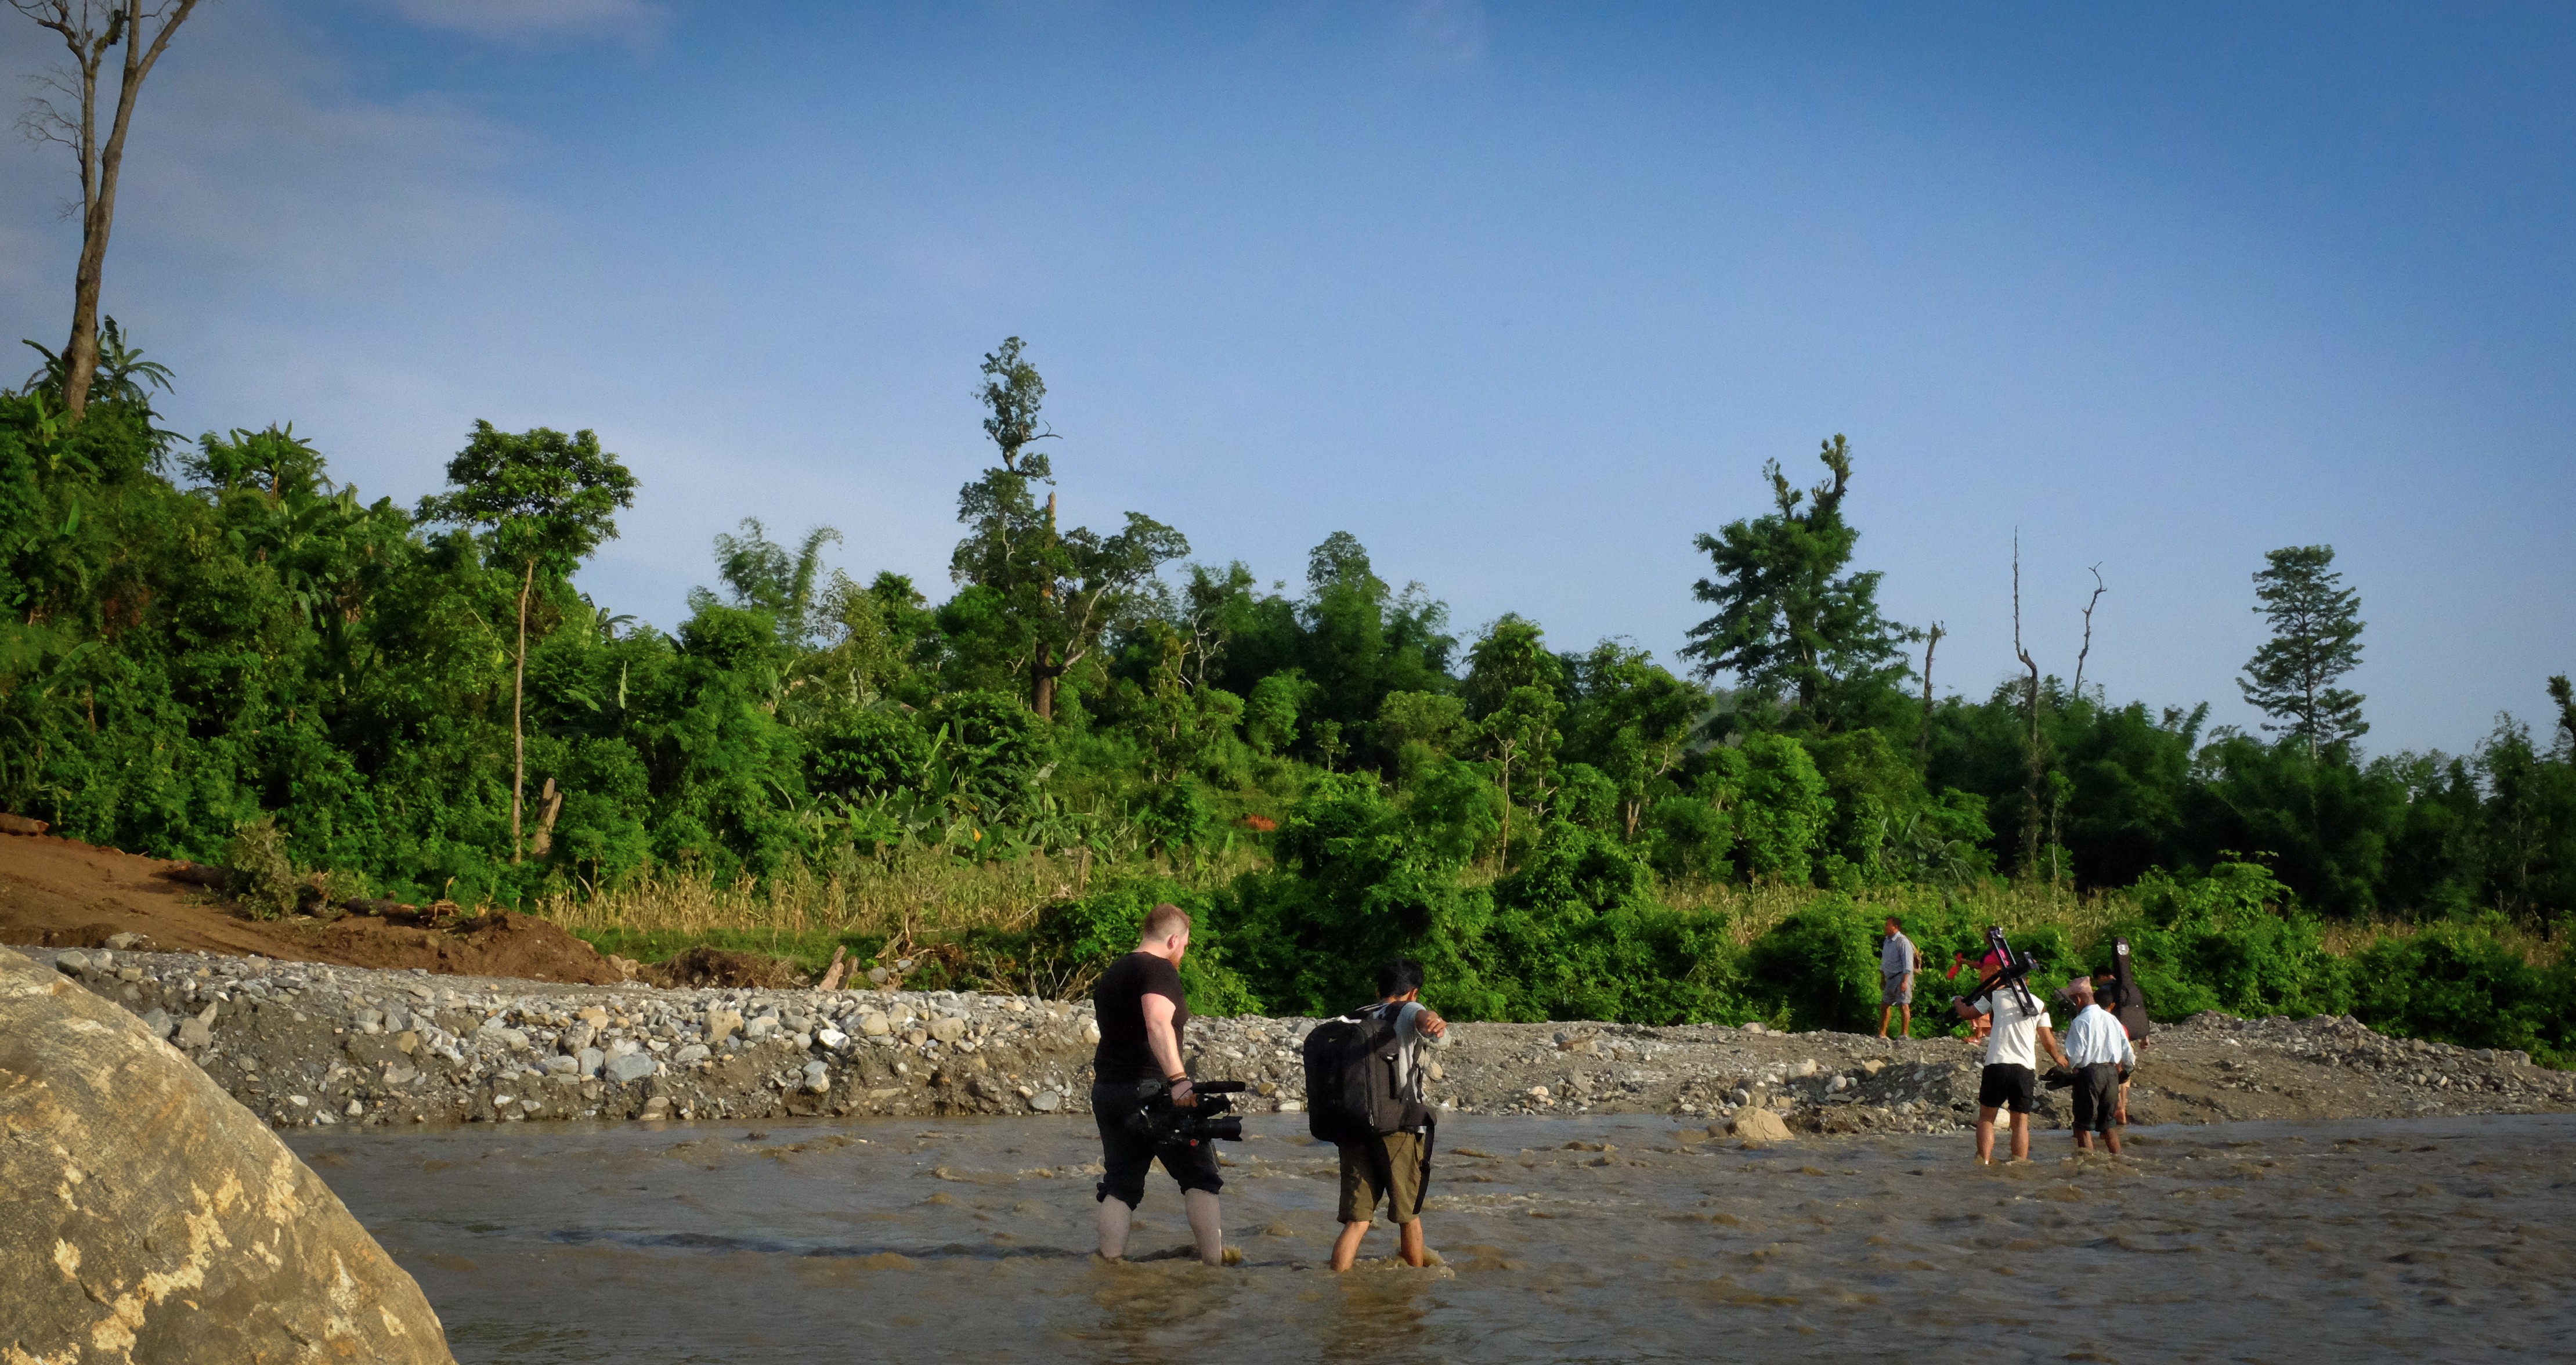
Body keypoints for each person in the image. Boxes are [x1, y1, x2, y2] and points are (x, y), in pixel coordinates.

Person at [1089, 902, 1225, 1265]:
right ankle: (1215, 1269)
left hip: (1109, 1090)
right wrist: (1179, 1081)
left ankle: (1110, 1266)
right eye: (1185, 945)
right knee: (1201, 1177)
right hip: (1153, 1091)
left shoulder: (1115, 971)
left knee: (1120, 1184)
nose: (1183, 952)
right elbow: (1158, 1023)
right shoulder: (1159, 969)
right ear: (1172, 939)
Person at [1329, 957, 1451, 1272]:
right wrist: (1432, 1021)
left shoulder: (1356, 1017)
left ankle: (1337, 1286)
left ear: (1377, 989)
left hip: (1354, 1126)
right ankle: (1414, 1290)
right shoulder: (1409, 1009)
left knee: (1357, 1221)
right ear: (1413, 992)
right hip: (1398, 1126)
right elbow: (1423, 1017)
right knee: (1409, 1217)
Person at [1954, 953, 2069, 1164]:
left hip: (1998, 1063)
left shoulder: (1995, 996)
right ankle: (2019, 1164)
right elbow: (2047, 1039)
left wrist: (1957, 1001)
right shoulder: (2039, 1004)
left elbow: (1966, 1013)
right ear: (2028, 981)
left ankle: (1985, 1161)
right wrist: (2058, 1058)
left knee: (1987, 1118)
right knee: (2020, 1122)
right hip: (2024, 1067)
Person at [2060, 976, 2137, 1155]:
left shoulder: (2080, 1022)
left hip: (2089, 1075)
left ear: (2078, 999)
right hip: (2111, 1074)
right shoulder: (2112, 1020)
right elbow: (2128, 1053)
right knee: (2108, 1126)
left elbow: (2075, 1056)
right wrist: (2126, 1070)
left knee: (2082, 1127)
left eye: (2073, 1000)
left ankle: (2087, 1167)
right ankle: (2117, 1164)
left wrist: (2064, 1070)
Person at [1876, 916, 1917, 1039]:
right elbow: (1884, 961)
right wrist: (1882, 978)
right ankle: (1882, 1033)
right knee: (1885, 1005)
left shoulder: (1903, 941)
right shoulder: (1887, 941)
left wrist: (1905, 982)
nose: (1885, 927)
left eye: (1888, 925)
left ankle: (1904, 1034)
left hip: (1901, 976)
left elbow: (1908, 964)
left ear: (1896, 927)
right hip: (1890, 977)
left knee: (1904, 1004)